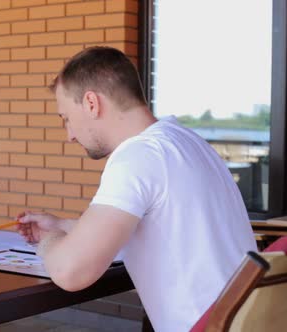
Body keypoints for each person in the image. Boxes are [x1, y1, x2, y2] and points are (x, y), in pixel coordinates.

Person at [17, 47, 256, 331]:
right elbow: (156, 227)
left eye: (66, 118)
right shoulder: (185, 141)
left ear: (91, 103)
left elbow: (70, 272)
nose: (69, 135)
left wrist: (49, 241)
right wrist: (64, 226)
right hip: (246, 320)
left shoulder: (138, 156)